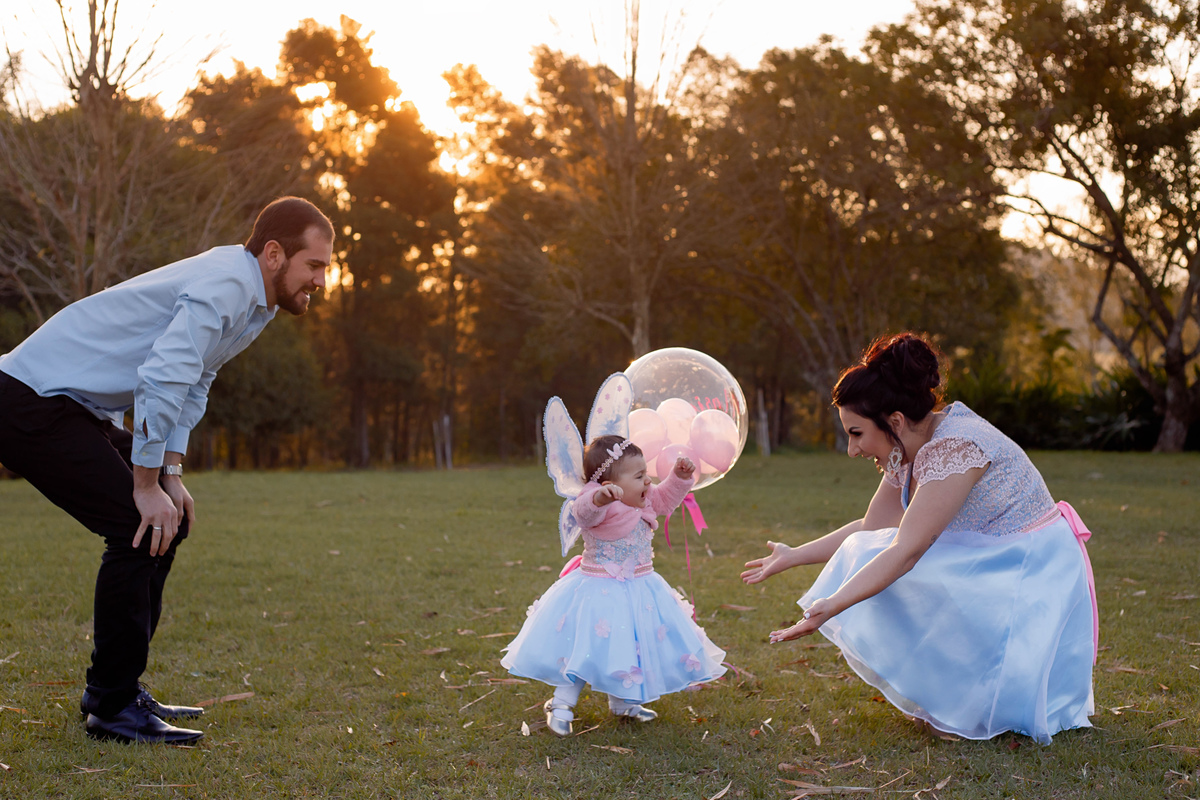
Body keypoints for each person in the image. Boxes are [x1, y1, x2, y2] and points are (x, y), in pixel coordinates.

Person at [0, 196, 334, 744]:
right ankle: (111, 708)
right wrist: (144, 484)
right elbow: (161, 378)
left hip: (73, 408)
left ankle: (116, 689)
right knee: (136, 525)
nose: (321, 281)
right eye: (314, 265)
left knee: (165, 524)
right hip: (31, 400)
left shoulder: (258, 302)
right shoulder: (228, 285)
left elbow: (196, 379)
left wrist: (169, 476)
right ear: (274, 254)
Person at [741, 332, 1097, 744]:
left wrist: (832, 604)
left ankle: (969, 701)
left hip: (1031, 566)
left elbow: (906, 551)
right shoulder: (909, 444)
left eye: (856, 433)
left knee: (901, 567)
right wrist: (794, 555)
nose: (853, 450)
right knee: (870, 553)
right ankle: (953, 697)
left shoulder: (955, 448)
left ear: (893, 421)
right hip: (993, 555)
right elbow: (870, 529)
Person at [501, 434, 727, 736]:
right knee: (584, 647)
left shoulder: (644, 497)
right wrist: (599, 498)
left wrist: (679, 477)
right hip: (598, 591)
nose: (648, 481)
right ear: (609, 483)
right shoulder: (597, 500)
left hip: (641, 587)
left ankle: (624, 702)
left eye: (646, 473)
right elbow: (583, 512)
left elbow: (665, 499)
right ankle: (561, 704)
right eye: (639, 476)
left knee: (630, 644)